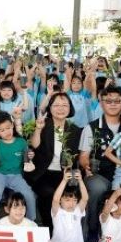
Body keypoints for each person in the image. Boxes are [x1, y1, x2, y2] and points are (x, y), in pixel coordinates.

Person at [78, 85, 121, 242]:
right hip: (100, 174)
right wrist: (86, 166)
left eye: (117, 101)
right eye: (108, 101)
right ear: (101, 103)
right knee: (97, 187)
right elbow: (83, 156)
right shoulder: (91, 127)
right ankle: (93, 230)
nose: (113, 104)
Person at [28, 92, 81, 229]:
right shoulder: (42, 124)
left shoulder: (75, 130)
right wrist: (38, 129)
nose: (60, 108)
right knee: (48, 193)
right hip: (43, 172)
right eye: (56, 105)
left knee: (72, 192)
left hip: (64, 173)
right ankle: (49, 229)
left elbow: (76, 156)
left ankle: (67, 230)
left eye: (64, 105)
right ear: (50, 108)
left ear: (70, 108)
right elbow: (34, 145)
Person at [0, 111, 36, 223]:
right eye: (2, 130)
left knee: (29, 194)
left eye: (8, 128)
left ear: (12, 125)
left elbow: (27, 160)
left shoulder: (21, 142)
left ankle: (31, 220)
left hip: (16, 175)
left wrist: (30, 158)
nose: (6, 132)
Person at [50, 170, 94, 242]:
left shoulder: (78, 211)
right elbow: (55, 199)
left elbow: (85, 198)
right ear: (61, 200)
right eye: (67, 200)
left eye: (74, 200)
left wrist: (80, 181)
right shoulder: (57, 212)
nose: (71, 203)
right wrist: (64, 180)